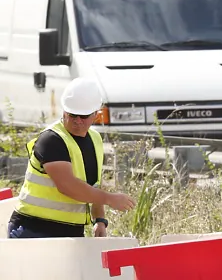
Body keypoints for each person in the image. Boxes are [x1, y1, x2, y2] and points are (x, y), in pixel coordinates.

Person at [8, 77, 136, 240]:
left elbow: (93, 185)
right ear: (64, 111)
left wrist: (100, 220)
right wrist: (110, 199)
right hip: (32, 230)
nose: (77, 121)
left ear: (96, 114)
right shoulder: (51, 139)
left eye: (83, 116)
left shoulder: (95, 139)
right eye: (72, 114)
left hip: (70, 232)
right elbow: (68, 186)